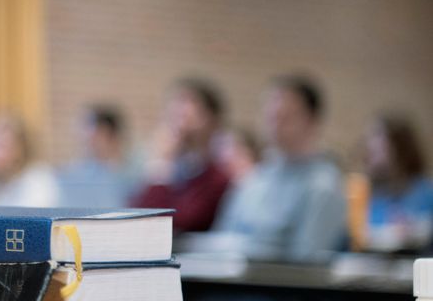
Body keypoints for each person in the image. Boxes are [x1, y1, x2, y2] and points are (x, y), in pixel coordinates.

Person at [214, 75, 346, 261]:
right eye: (270, 115)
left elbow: (306, 263)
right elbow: (222, 241)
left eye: (285, 116)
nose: (274, 124)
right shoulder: (253, 179)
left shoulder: (323, 186)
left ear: (311, 121)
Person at [131, 78, 230, 232]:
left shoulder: (218, 176)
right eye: (175, 104)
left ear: (210, 118)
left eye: (188, 102)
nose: (178, 111)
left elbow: (177, 223)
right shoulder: (174, 167)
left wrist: (161, 165)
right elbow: (136, 214)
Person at [364, 112, 433, 252]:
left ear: (399, 144)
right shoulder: (370, 194)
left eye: (378, 135)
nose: (370, 143)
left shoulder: (424, 192)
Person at [57, 104, 138, 209]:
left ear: (110, 135)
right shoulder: (77, 176)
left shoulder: (134, 176)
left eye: (93, 133)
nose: (85, 138)